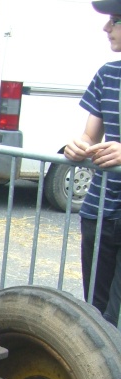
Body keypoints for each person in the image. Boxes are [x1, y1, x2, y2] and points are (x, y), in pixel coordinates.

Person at [65, 0, 121, 326]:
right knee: (96, 315)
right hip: (99, 212)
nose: (105, 28)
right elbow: (90, 135)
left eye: (114, 20)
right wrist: (79, 146)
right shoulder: (107, 74)